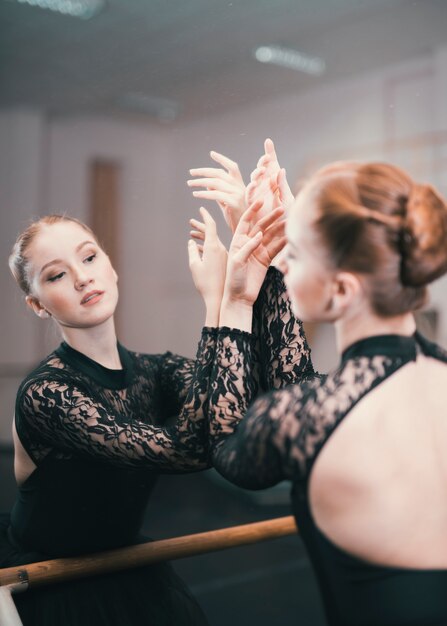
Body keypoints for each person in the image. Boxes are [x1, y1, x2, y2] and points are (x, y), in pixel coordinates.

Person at [1, 203, 289, 626]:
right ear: (38, 305)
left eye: (90, 257)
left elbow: (251, 403)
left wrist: (260, 275)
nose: (83, 277)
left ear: (111, 267)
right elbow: (189, 449)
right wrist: (217, 302)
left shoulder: (156, 370)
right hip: (49, 584)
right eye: (56, 275)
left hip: (122, 566)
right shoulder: (47, 395)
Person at [189, 154, 447, 626]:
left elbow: (224, 444)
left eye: (298, 252)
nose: (283, 258)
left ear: (344, 290)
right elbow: (302, 388)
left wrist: (231, 301)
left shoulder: (309, 416)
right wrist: (301, 228)